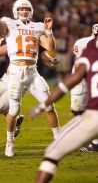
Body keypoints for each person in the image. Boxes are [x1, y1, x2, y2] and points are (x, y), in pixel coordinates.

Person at [0, 0, 60, 157]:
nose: (24, 11)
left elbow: (51, 49)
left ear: (31, 11)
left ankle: (58, 139)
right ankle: (9, 143)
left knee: (49, 105)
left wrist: (49, 31)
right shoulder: (9, 23)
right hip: (15, 70)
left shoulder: (38, 26)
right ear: (16, 11)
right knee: (14, 109)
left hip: (33, 72)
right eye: (21, 9)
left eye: (27, 9)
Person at [34, 31, 98, 183]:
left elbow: (68, 84)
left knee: (52, 153)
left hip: (94, 115)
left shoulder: (90, 54)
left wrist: (44, 104)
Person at [70, 23, 98, 152]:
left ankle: (94, 141)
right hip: (81, 78)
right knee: (77, 109)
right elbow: (79, 63)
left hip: (94, 79)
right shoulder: (82, 42)